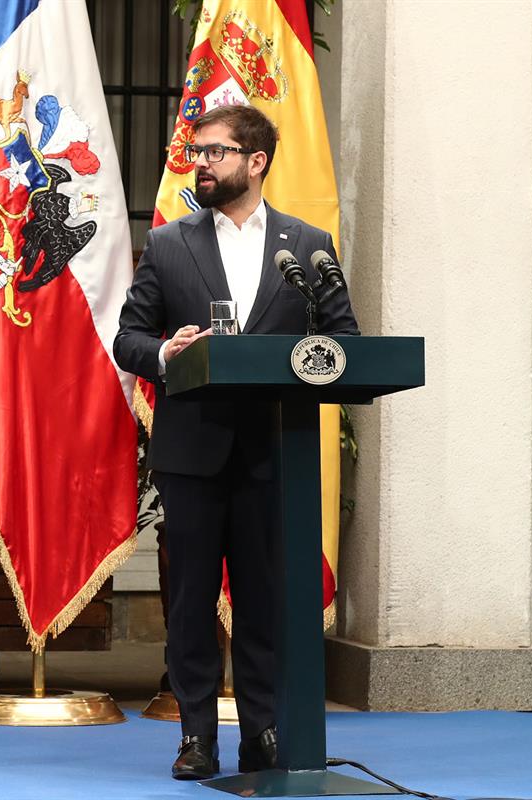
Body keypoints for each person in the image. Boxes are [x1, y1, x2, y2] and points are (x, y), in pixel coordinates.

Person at [113, 104, 358, 780]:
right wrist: (168, 349)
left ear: (256, 161)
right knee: (191, 603)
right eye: (198, 153)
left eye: (216, 152)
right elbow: (127, 340)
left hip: (274, 452)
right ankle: (196, 736)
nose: (202, 164)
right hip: (191, 454)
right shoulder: (169, 244)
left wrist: (309, 355)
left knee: (263, 602)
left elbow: (345, 341)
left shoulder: (306, 246)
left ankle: (265, 733)